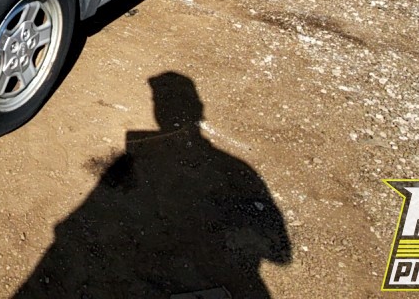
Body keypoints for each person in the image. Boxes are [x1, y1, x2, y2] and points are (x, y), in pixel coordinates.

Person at [17, 72, 291, 298]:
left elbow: (280, 255)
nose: (160, 107)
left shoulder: (230, 169)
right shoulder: (235, 169)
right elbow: (280, 255)